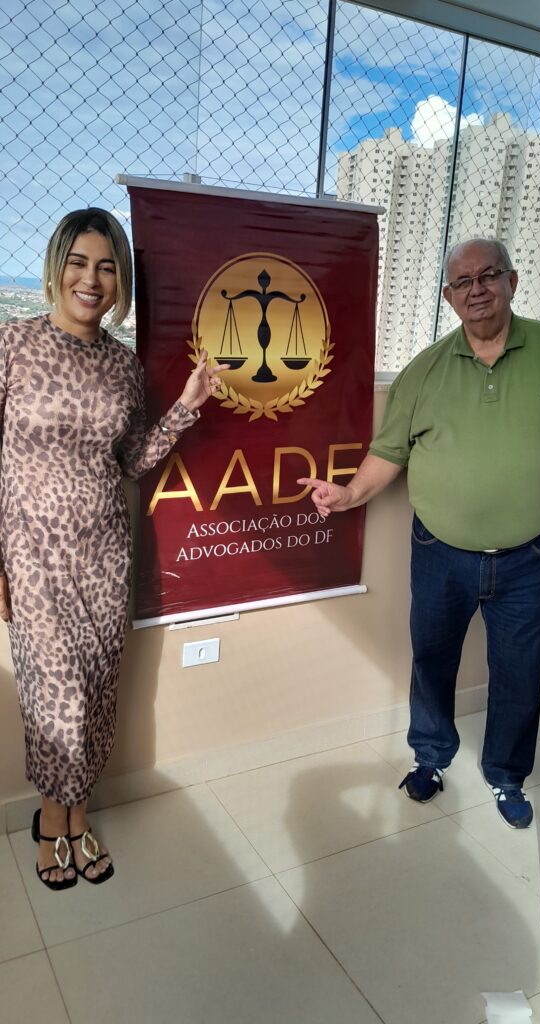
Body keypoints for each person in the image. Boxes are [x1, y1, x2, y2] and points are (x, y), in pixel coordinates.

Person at [299, 237, 540, 830]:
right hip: (440, 554)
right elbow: (389, 452)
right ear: (449, 297)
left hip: (531, 554)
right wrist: (348, 495)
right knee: (432, 659)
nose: (477, 290)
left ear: (512, 281)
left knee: (521, 669)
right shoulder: (424, 371)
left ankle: (506, 775)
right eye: (463, 282)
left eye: (488, 276)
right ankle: (430, 758)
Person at [0, 208, 226, 889]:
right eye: (78, 263)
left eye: (106, 267)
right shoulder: (13, 344)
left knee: (97, 690)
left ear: (120, 280)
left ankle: (78, 815)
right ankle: (52, 818)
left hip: (104, 555)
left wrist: (186, 405)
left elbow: (131, 461)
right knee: (55, 696)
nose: (91, 280)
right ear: (56, 269)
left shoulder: (123, 367)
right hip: (32, 557)